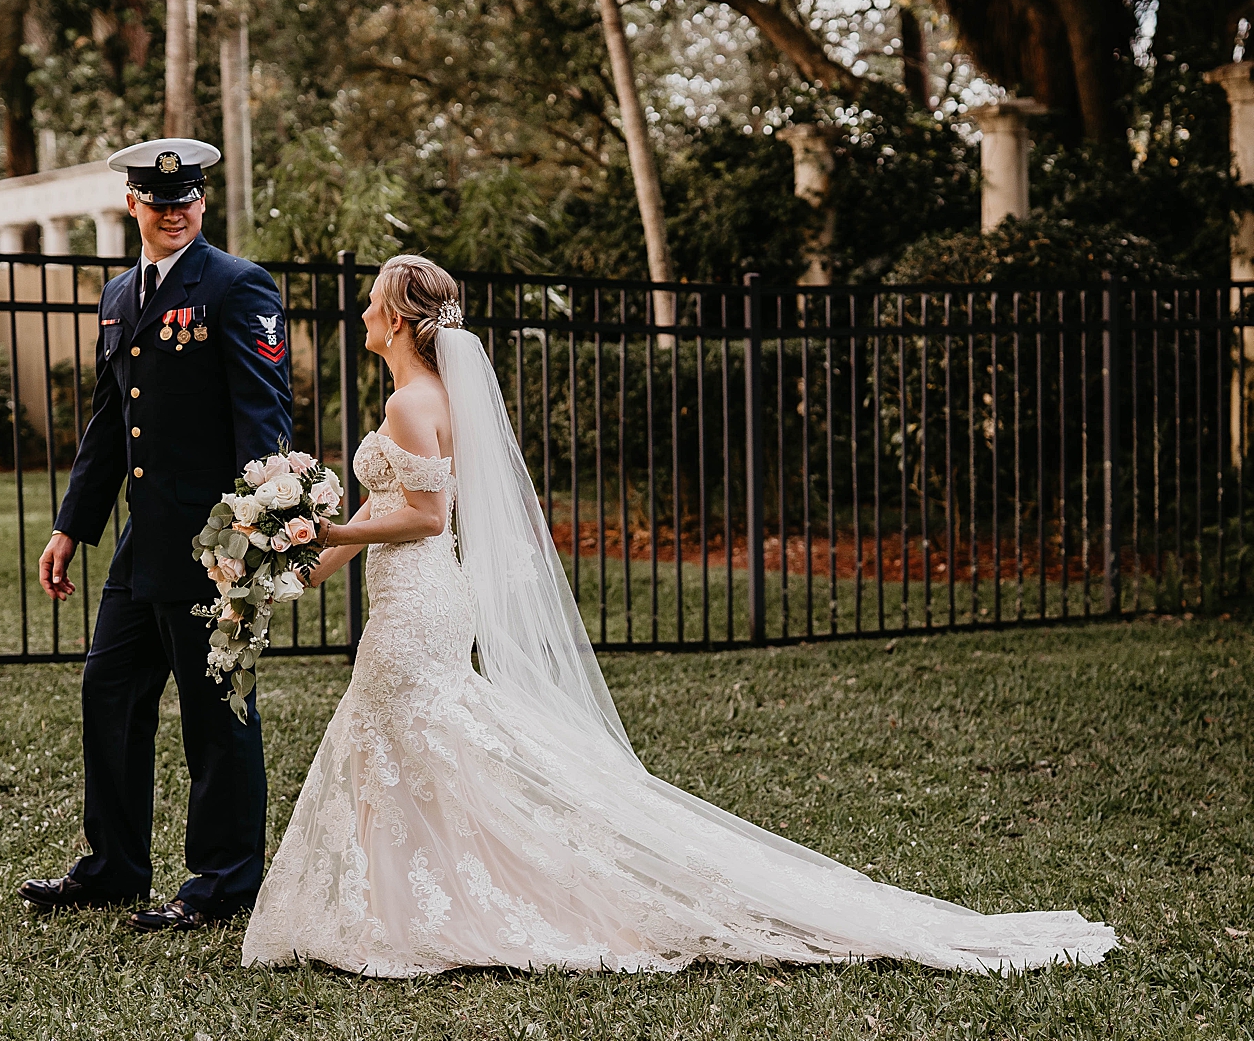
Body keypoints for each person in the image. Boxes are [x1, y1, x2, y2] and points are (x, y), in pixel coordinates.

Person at [240, 254, 1117, 976]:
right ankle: (401, 895)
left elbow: (428, 518)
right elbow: (378, 504)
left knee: (416, 730)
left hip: (423, 595)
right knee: (407, 736)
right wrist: (310, 561)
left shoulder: (408, 401)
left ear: (397, 317)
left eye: (371, 303)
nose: (361, 313)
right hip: (417, 590)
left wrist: (333, 527)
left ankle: (430, 902)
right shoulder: (431, 396)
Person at [22, 138, 292, 934]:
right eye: (158, 200)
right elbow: (111, 424)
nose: (174, 212)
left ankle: (224, 880)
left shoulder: (239, 286)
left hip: (215, 540)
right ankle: (113, 867)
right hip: (143, 543)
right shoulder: (117, 295)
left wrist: (252, 534)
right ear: (132, 205)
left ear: (202, 204)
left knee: (217, 713)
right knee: (110, 692)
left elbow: (263, 417)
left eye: (187, 200)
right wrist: (72, 528)